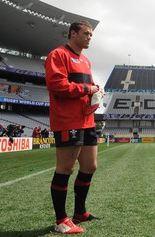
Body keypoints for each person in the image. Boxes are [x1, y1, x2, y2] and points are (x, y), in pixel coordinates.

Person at [45, 20, 102, 234]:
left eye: (91, 35)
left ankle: (80, 213)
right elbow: (57, 85)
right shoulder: (58, 55)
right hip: (67, 120)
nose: (89, 37)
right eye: (86, 33)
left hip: (86, 120)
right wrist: (89, 88)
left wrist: (95, 94)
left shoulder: (85, 61)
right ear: (73, 33)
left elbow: (85, 90)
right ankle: (61, 220)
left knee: (90, 166)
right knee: (65, 169)